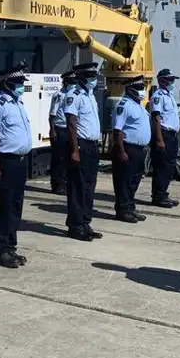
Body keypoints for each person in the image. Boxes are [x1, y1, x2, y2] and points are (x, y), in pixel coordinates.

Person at [0, 65, 32, 268]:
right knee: (3, 207)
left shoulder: (18, 103)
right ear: (7, 83)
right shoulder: (0, 104)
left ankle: (10, 247)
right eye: (18, 83)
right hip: (5, 162)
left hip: (19, 163)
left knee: (15, 206)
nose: (21, 86)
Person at [64, 62, 103, 241]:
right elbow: (71, 123)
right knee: (78, 186)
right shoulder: (74, 96)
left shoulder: (90, 96)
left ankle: (85, 223)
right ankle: (75, 225)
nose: (93, 80)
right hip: (80, 145)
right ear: (80, 78)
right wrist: (74, 149)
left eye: (94, 77)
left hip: (92, 146)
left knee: (89, 187)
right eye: (90, 77)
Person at [111, 76, 151, 224]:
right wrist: (121, 151)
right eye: (139, 88)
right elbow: (118, 131)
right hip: (128, 147)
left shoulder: (138, 105)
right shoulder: (124, 105)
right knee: (124, 181)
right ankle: (122, 210)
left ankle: (130, 207)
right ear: (130, 90)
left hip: (139, 149)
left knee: (134, 180)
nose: (142, 91)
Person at [150, 68, 180, 208]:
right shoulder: (158, 96)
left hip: (172, 136)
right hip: (164, 134)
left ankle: (163, 193)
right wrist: (160, 139)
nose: (172, 82)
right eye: (170, 80)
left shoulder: (169, 96)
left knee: (169, 166)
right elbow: (156, 118)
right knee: (162, 166)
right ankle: (158, 196)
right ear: (162, 80)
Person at [48, 71, 77, 195]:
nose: (73, 84)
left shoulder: (74, 95)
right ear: (65, 82)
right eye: (70, 82)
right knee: (59, 158)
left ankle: (67, 183)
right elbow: (52, 115)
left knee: (69, 158)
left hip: (70, 129)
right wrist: (52, 130)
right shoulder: (59, 95)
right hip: (60, 129)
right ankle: (57, 184)